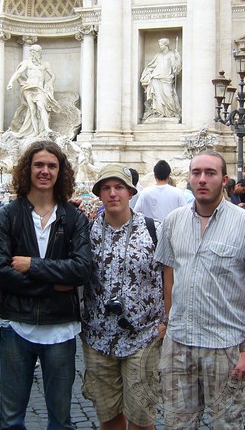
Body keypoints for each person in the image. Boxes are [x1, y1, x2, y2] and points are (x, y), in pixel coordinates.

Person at [0, 140, 92, 430]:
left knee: (61, 420)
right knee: (11, 420)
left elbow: (81, 270)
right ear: (27, 169)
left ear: (61, 172)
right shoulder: (6, 215)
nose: (44, 171)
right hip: (17, 325)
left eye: (51, 165)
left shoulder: (73, 218)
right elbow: (0, 273)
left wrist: (32, 266)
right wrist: (52, 286)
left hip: (60, 328)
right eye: (38, 165)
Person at [155, 150, 245, 429]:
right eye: (196, 173)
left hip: (226, 346)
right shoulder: (174, 221)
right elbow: (168, 274)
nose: (202, 179)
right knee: (177, 424)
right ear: (189, 179)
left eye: (210, 173)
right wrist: (169, 323)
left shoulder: (242, 224)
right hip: (179, 344)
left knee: (226, 425)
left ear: (224, 179)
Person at [81, 164, 164, 430]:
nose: (113, 194)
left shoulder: (156, 231)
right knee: (108, 418)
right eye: (106, 188)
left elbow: (173, 277)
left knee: (142, 418)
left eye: (119, 188)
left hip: (144, 337)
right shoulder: (86, 234)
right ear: (99, 194)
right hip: (98, 338)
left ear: (130, 192)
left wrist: (168, 320)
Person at [7, 44, 61, 138]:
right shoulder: (27, 63)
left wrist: (50, 82)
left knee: (41, 106)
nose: (33, 54)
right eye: (31, 51)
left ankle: (46, 128)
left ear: (39, 53)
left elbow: (53, 75)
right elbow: (18, 73)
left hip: (39, 88)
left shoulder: (45, 64)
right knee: (32, 109)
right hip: (28, 87)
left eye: (34, 52)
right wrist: (11, 82)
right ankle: (35, 131)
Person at [140, 38, 182, 120]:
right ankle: (159, 113)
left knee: (169, 95)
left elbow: (175, 69)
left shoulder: (172, 54)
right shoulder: (158, 55)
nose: (160, 47)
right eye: (160, 45)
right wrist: (147, 74)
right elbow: (151, 66)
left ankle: (171, 113)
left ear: (166, 45)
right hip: (156, 78)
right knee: (157, 98)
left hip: (167, 79)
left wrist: (178, 58)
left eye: (161, 45)